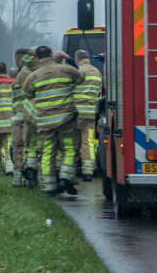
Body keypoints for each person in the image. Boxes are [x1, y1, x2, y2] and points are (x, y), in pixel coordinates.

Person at [22, 46, 85, 196]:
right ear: (51, 55)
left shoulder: (33, 76)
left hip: (45, 124)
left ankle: (49, 188)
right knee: (69, 150)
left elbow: (26, 94)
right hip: (67, 121)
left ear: (37, 58)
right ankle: (64, 178)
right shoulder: (65, 69)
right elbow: (81, 78)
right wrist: (69, 59)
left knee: (47, 154)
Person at [72, 50, 102, 181]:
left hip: (76, 113)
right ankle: (88, 172)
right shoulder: (97, 72)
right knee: (88, 141)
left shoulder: (76, 70)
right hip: (91, 113)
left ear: (77, 58)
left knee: (72, 141)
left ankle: (69, 171)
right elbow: (99, 92)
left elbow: (70, 89)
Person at [11, 48, 39, 187]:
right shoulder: (24, 71)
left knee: (19, 146)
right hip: (23, 115)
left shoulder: (24, 73)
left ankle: (22, 179)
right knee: (23, 146)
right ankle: (22, 179)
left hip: (24, 116)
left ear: (17, 58)